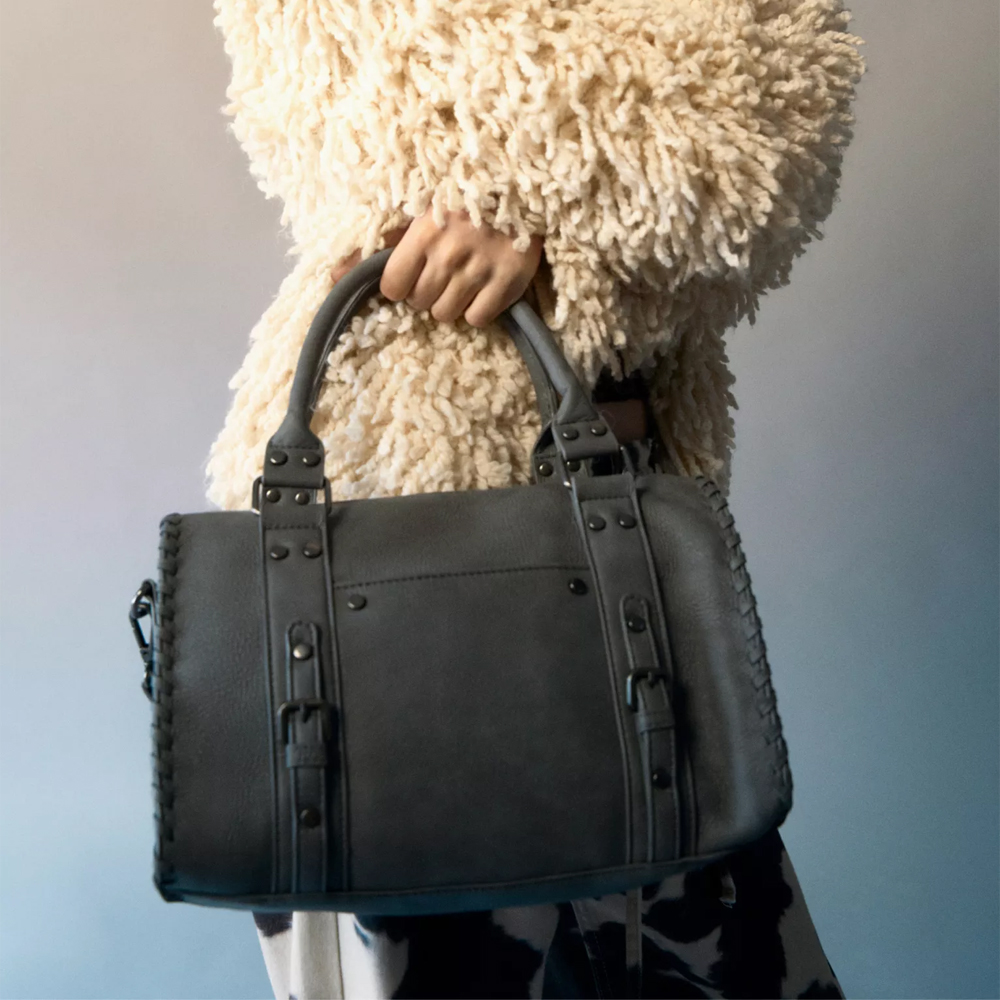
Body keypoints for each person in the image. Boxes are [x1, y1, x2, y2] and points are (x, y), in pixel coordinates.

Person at [205, 1, 866, 996]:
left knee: (685, 896)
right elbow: (341, 101)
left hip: (599, 540)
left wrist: (541, 224)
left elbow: (765, 126)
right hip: (374, 525)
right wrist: (565, 185)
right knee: (406, 933)